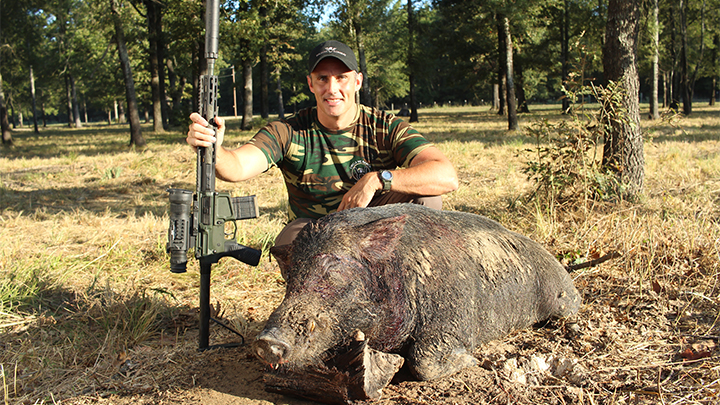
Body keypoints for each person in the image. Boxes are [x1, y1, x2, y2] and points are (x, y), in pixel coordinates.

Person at [186, 40, 458, 246]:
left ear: (357, 81)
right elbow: (237, 167)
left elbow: (445, 175)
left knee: (427, 198)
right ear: (311, 84)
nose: (332, 88)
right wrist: (215, 148)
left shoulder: (385, 126)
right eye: (323, 79)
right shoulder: (288, 132)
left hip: (378, 229)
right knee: (288, 242)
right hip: (318, 236)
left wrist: (375, 179)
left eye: (341, 78)